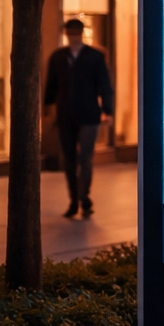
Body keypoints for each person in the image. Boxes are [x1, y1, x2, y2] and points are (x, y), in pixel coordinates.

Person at [43, 18, 114, 219]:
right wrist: (47, 111)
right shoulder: (58, 57)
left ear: (81, 34)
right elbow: (50, 86)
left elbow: (105, 85)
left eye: (75, 33)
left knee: (86, 158)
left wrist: (107, 111)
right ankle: (74, 199)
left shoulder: (94, 57)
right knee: (68, 159)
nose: (73, 37)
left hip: (89, 114)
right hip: (65, 114)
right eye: (69, 33)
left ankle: (84, 197)